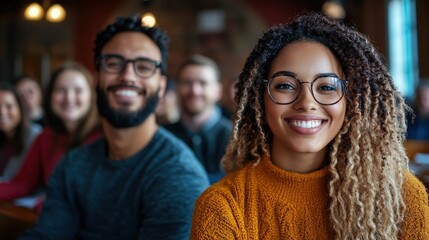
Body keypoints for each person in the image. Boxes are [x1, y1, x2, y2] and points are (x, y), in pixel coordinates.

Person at [191, 13, 429, 239]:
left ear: (351, 101)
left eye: (326, 87)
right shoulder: (223, 206)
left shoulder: (401, 198)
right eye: (285, 86)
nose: (306, 103)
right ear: (259, 99)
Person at [19, 15, 209, 240]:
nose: (127, 76)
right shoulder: (72, 165)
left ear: (161, 86)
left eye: (144, 66)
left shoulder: (179, 174)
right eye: (114, 63)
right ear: (97, 78)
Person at [0, 62, 102, 212]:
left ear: (91, 96)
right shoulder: (45, 137)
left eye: (78, 90)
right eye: (60, 90)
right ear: (50, 96)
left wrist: (50, 205)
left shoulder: (106, 138)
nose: (69, 97)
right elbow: (23, 183)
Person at [164, 54, 232, 184]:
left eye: (203, 83)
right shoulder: (164, 137)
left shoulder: (237, 139)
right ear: (177, 88)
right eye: (187, 82)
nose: (195, 90)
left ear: (218, 90)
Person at [0, 82, 42, 180]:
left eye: (9, 106)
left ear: (20, 108)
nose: (2, 112)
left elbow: (13, 178)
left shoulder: (34, 135)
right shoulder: (4, 137)